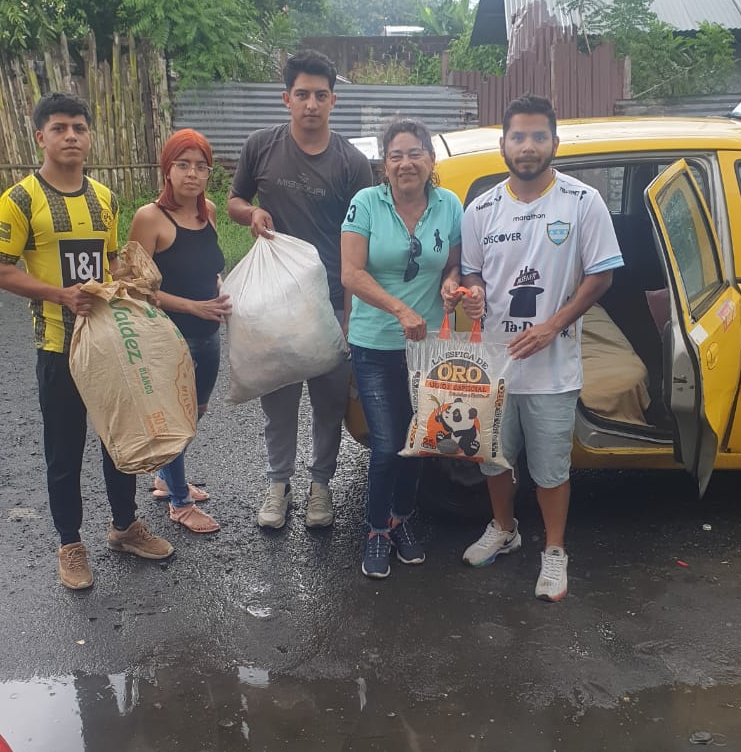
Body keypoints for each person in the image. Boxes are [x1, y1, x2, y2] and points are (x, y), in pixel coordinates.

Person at [0, 91, 174, 590]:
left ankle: (124, 527)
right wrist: (59, 295)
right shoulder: (20, 199)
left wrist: (132, 284)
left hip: (108, 344)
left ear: (89, 137)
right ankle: (70, 543)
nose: (71, 136)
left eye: (79, 128)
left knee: (120, 439)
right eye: (60, 128)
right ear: (40, 137)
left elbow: (111, 262)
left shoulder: (105, 199)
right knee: (64, 450)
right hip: (58, 346)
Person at [459, 93, 623, 601]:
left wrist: (553, 325)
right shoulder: (481, 209)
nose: (527, 146)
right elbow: (471, 272)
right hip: (494, 365)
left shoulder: (581, 202)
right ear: (503, 144)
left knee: (551, 469)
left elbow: (602, 275)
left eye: (537, 136)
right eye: (518, 137)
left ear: (554, 141)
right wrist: (473, 292)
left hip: (553, 368)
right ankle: (504, 529)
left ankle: (554, 551)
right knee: (493, 460)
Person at [228, 49, 373, 531]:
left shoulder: (352, 163)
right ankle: (277, 485)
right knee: (278, 400)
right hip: (275, 304)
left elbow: (361, 242)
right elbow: (233, 200)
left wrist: (351, 315)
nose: (312, 104)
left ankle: (321, 485)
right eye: (303, 94)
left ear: (334, 101)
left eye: (321, 95)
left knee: (329, 404)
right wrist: (252, 213)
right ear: (286, 98)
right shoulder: (261, 146)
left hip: (329, 303)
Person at [341, 118, 464, 579]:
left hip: (427, 347)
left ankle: (400, 520)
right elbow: (351, 273)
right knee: (387, 444)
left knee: (419, 443)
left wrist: (451, 284)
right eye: (396, 155)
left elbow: (454, 265)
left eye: (415, 154)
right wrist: (400, 310)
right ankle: (376, 529)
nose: (406, 163)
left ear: (430, 160)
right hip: (375, 343)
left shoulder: (449, 205)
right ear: (384, 164)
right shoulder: (366, 203)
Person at [128, 128, 230, 534]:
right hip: (168, 337)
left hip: (208, 333)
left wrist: (220, 289)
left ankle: (165, 477)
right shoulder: (150, 218)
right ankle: (179, 502)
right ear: (167, 170)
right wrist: (193, 306)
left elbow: (210, 268)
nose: (192, 174)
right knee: (175, 420)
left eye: (201, 167)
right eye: (183, 165)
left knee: (196, 413)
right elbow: (136, 287)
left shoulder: (209, 212)